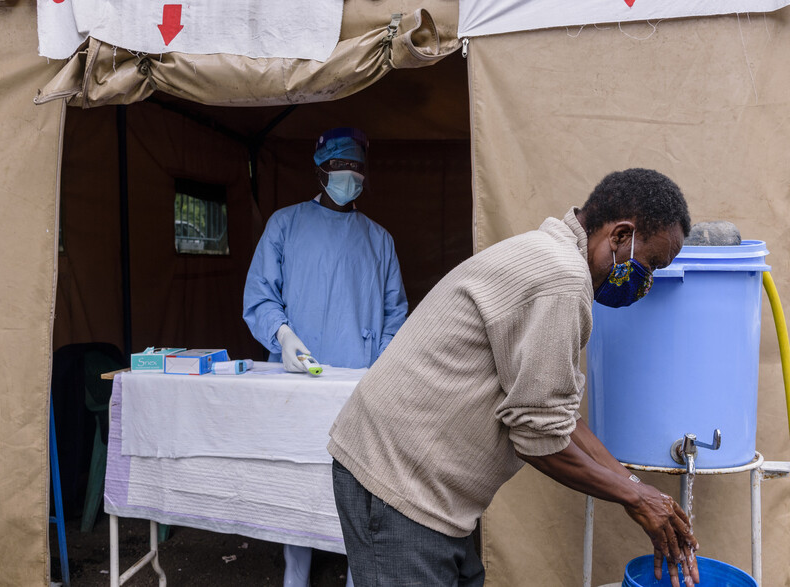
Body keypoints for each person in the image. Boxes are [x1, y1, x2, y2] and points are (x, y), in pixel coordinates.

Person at [327, 168, 701, 587]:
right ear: (619, 236)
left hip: (423, 483)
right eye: (650, 264)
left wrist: (635, 487)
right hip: (396, 484)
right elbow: (539, 440)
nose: (645, 282)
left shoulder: (552, 256)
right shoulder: (560, 279)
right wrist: (635, 496)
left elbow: (557, 417)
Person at [243, 127, 408, 587]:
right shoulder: (285, 225)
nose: (347, 177)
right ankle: (296, 573)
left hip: (358, 382)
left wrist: (382, 365)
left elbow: (396, 312)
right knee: (298, 476)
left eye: (355, 170)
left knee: (359, 484)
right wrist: (282, 333)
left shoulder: (379, 240)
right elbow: (259, 295)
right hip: (299, 377)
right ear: (320, 172)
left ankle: (359, 572)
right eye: (338, 169)